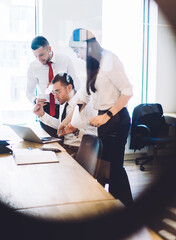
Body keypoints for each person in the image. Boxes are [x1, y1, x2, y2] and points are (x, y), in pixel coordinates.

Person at [58, 28, 134, 206]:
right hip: (104, 120)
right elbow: (84, 96)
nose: (77, 55)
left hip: (116, 117)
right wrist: (67, 120)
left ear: (86, 45)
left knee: (113, 170)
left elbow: (128, 92)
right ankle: (118, 206)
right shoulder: (92, 64)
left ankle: (122, 210)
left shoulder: (110, 59)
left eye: (77, 50)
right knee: (106, 168)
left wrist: (106, 116)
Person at [27, 36, 80, 137]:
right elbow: (28, 92)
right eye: (36, 56)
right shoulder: (33, 67)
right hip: (46, 109)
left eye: (41, 54)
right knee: (51, 142)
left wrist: (57, 84)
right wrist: (35, 101)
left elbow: (76, 84)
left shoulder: (65, 60)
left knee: (65, 138)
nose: (39, 59)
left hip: (63, 107)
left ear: (49, 49)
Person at [33, 72, 96, 156]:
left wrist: (77, 132)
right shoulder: (64, 103)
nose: (55, 96)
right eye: (53, 92)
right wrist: (42, 114)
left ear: (69, 88)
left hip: (79, 150)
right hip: (64, 148)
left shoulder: (85, 106)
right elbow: (61, 126)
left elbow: (94, 136)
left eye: (58, 92)